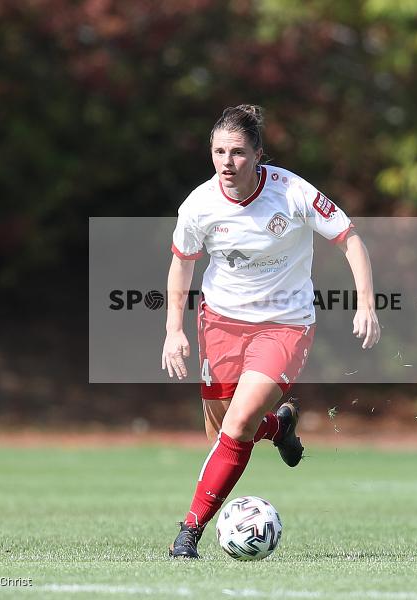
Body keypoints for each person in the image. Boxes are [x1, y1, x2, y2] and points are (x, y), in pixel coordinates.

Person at [162, 104, 380, 558]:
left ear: (258, 153)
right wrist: (173, 331)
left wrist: (365, 304)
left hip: (285, 325)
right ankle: (278, 426)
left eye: (238, 152)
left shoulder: (291, 192)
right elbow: (182, 264)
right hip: (220, 322)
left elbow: (349, 237)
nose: (227, 162)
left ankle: (188, 532)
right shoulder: (199, 205)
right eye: (219, 151)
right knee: (224, 430)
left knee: (236, 426)